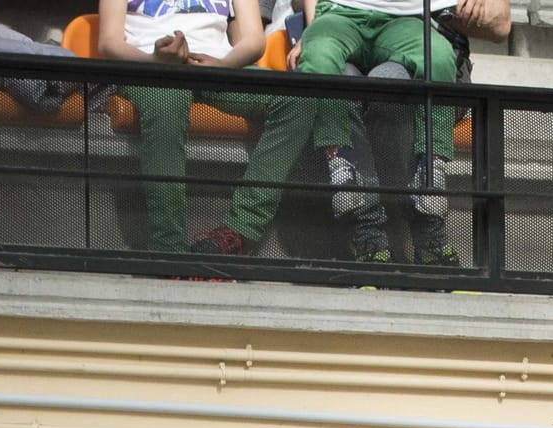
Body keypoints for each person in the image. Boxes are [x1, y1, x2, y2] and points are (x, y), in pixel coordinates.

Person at [192, 0, 509, 267]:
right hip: (336, 30)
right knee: (330, 71)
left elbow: (501, 24)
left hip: (409, 34)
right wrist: (311, 34)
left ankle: (428, 206)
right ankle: (358, 209)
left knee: (392, 82)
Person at [96, 0, 265, 260]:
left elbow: (255, 39)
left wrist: (223, 66)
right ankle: (169, 252)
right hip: (151, 70)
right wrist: (154, 61)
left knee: (299, 102)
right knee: (167, 99)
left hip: (220, 69)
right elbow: (108, 43)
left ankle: (238, 231)